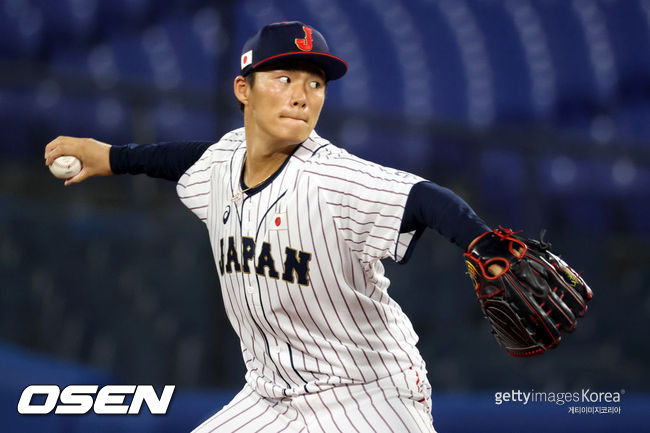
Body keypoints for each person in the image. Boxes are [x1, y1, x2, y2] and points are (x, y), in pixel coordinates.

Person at [45, 21, 503, 433]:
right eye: (284, 79)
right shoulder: (222, 162)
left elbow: (423, 197)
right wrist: (113, 158)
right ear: (244, 89)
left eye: (315, 83)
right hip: (268, 397)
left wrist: (482, 242)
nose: (302, 95)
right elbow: (183, 159)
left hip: (367, 395)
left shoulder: (335, 179)